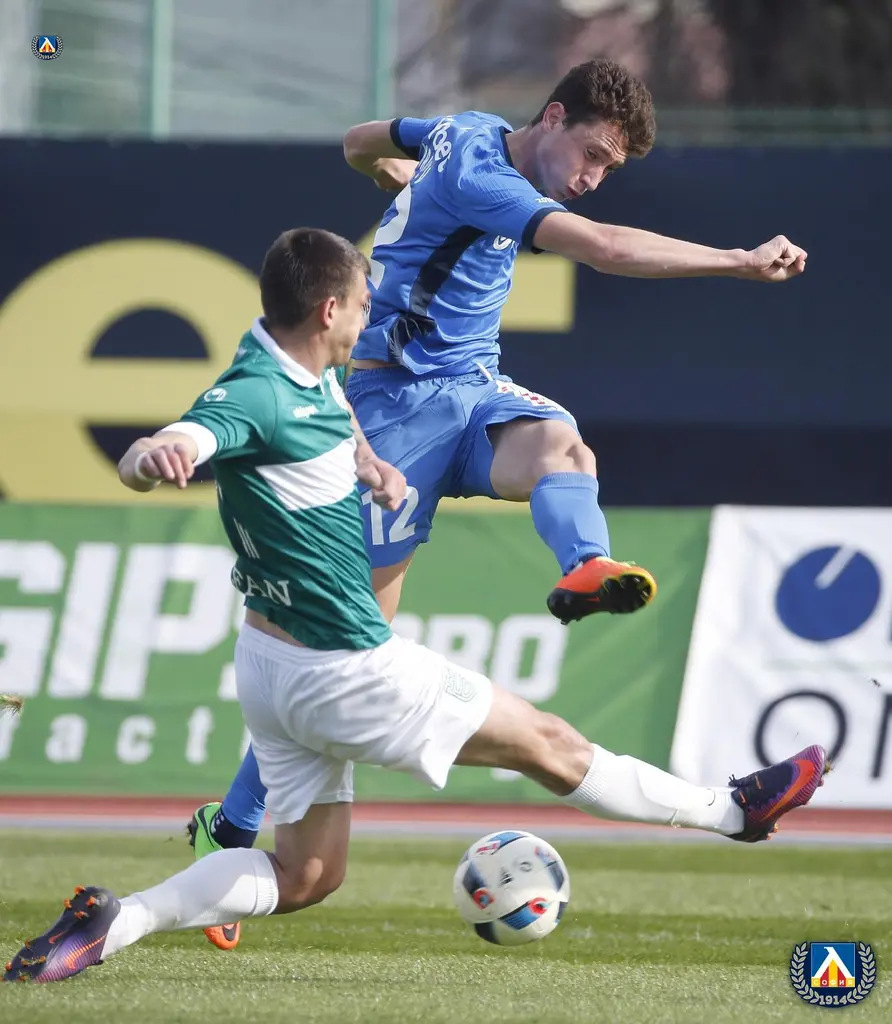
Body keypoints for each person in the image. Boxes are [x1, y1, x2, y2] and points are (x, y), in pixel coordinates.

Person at [4, 228, 826, 984]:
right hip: (343, 669)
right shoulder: (257, 393)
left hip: (267, 668)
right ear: (329, 311)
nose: (372, 320)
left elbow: (331, 413)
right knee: (549, 745)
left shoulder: (296, 360)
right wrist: (155, 455)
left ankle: (113, 922)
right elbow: (187, 435)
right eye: (364, 305)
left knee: (307, 876)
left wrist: (371, 466)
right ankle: (733, 812)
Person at [186, 58, 810, 951]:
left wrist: (395, 179)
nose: (591, 178)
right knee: (345, 644)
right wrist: (737, 261)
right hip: (391, 408)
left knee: (564, 447)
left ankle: (585, 566)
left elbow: (358, 140)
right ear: (552, 117)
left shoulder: (458, 132)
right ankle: (231, 826)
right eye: (591, 155)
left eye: (608, 169)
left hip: (473, 391)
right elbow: (605, 248)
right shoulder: (483, 172)